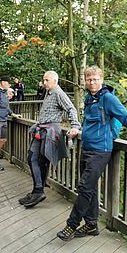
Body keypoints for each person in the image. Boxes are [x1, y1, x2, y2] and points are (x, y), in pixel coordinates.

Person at [56, 65, 127, 241]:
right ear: (85, 80)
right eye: (89, 79)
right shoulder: (89, 99)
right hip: (86, 147)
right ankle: (92, 225)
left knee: (84, 187)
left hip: (101, 150)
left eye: (95, 79)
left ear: (102, 79)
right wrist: (79, 132)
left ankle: (71, 225)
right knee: (89, 188)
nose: (92, 82)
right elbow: (90, 124)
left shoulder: (108, 99)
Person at [19, 71, 80, 208]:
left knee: (41, 160)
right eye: (44, 80)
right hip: (41, 129)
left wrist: (75, 126)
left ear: (54, 81)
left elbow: (71, 109)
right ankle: (37, 190)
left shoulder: (59, 93)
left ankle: (38, 191)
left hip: (50, 131)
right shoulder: (48, 92)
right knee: (32, 157)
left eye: (46, 80)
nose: (44, 82)